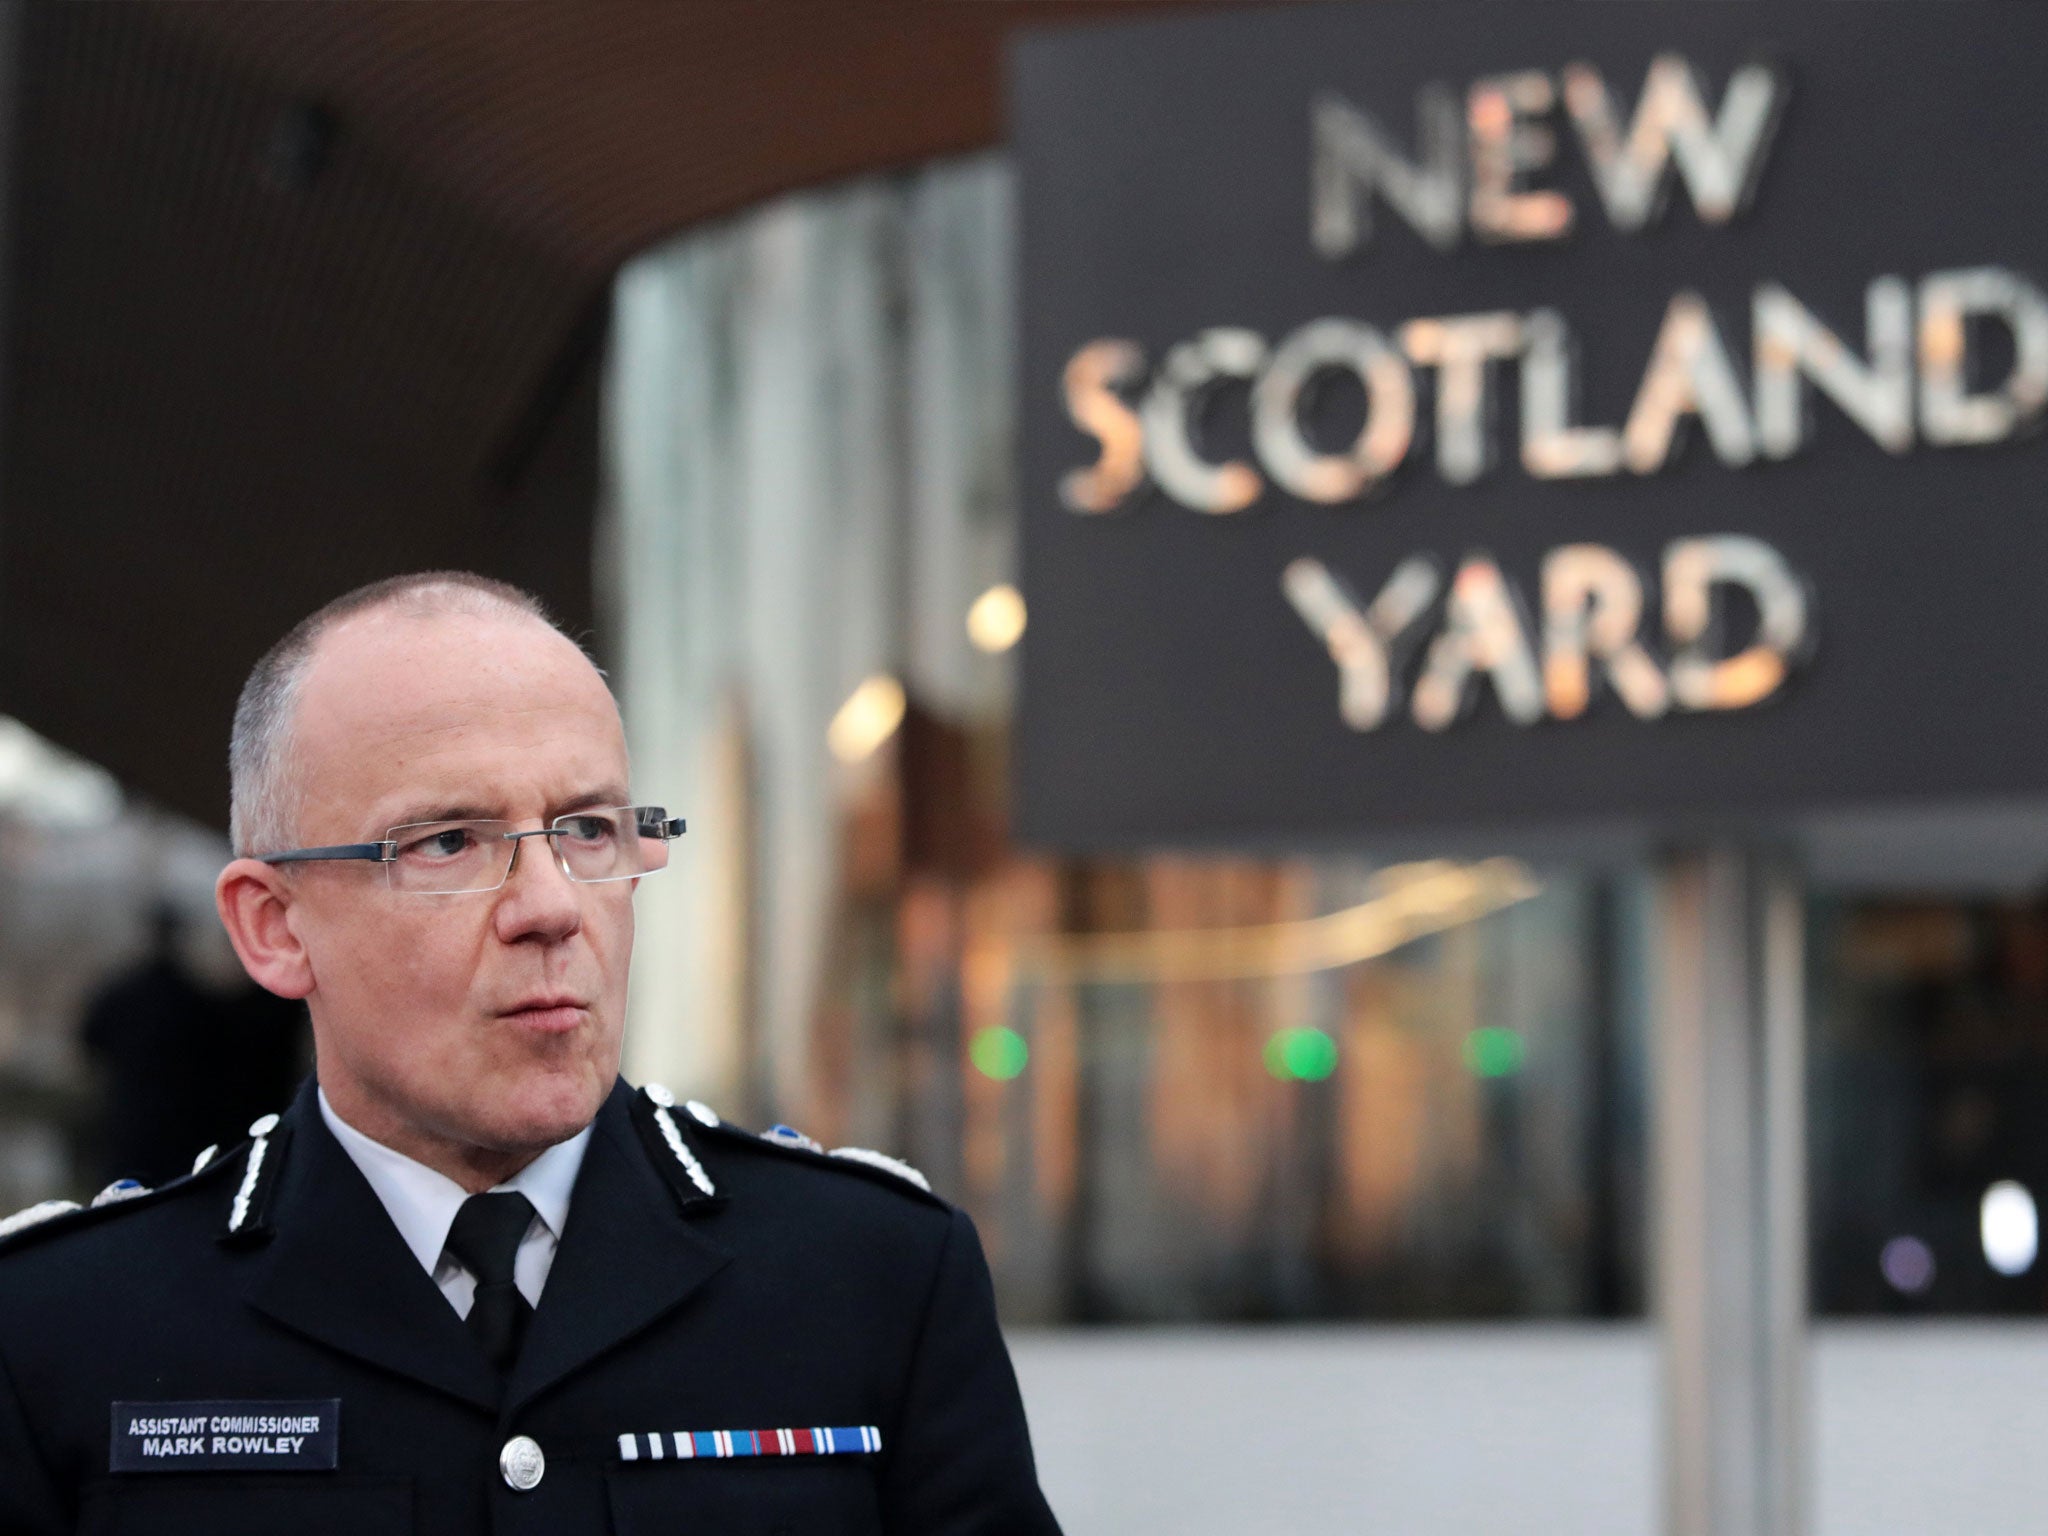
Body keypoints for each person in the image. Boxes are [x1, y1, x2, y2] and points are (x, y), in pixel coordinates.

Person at [0, 572, 1061, 1535]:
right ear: (274, 927)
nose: (551, 908)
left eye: (588, 830)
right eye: (449, 842)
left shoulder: (870, 1278)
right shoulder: (64, 1331)